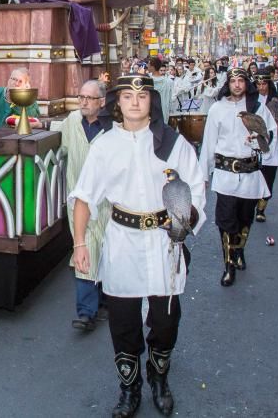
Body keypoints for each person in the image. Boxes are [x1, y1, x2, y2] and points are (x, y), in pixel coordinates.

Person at [70, 73, 205, 418]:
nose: (134, 101)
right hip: (122, 245)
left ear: (151, 102)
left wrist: (184, 218)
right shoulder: (104, 145)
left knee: (165, 321)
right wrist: (79, 244)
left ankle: (158, 379)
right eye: (127, 95)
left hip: (164, 245)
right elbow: (84, 199)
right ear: (117, 102)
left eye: (141, 95)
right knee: (124, 323)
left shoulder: (173, 143)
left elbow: (196, 190)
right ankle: (129, 389)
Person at [199, 67, 277, 287]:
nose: (237, 85)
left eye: (241, 81)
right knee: (225, 221)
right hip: (225, 176)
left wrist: (256, 141)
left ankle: (239, 250)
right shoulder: (217, 109)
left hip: (250, 175)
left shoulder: (258, 108)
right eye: (233, 81)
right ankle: (229, 264)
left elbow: (269, 135)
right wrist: (202, 176)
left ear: (246, 84)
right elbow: (208, 145)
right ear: (228, 83)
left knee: (244, 218)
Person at [52, 79, 110, 332]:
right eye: (81, 97)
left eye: (89, 98)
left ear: (102, 102)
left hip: (109, 202)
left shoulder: (113, 128)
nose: (84, 102)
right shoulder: (72, 122)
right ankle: (86, 312)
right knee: (84, 247)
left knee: (107, 249)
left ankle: (106, 298)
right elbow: (58, 141)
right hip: (79, 200)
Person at [255, 68, 278, 223]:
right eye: (258, 84)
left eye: (264, 84)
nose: (261, 87)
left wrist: (273, 135)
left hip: (272, 145)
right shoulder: (251, 101)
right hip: (253, 145)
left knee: (268, 178)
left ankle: (261, 209)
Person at [147, 57, 173, 124]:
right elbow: (171, 99)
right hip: (164, 113)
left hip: (150, 113)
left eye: (149, 65)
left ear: (153, 67)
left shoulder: (147, 81)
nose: (147, 66)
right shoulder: (168, 81)